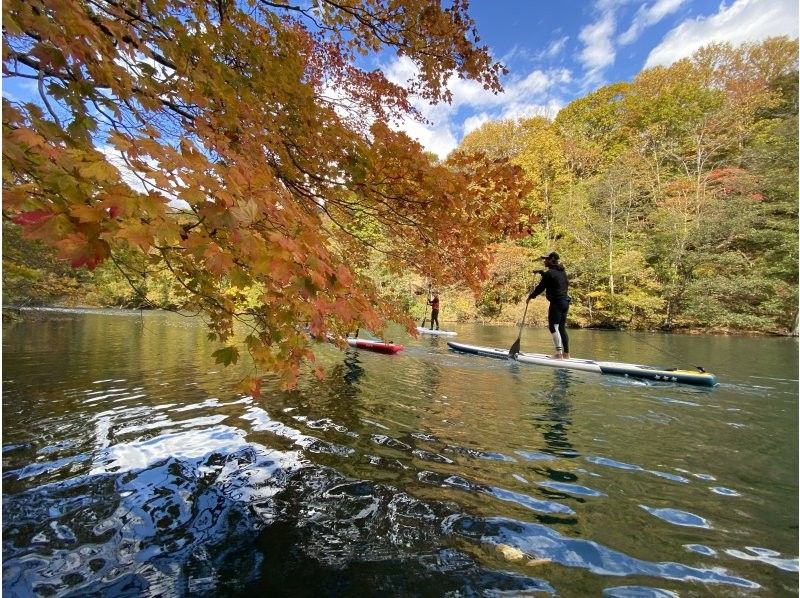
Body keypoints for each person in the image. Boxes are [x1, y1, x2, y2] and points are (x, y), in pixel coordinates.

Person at [527, 251, 571, 359]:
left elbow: (540, 287)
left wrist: (530, 297)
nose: (544, 261)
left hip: (557, 303)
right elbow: (552, 279)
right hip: (565, 302)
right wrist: (542, 272)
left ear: (552, 260)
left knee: (553, 327)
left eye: (546, 259)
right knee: (561, 328)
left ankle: (558, 354)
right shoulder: (561, 271)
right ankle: (566, 354)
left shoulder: (550, 273)